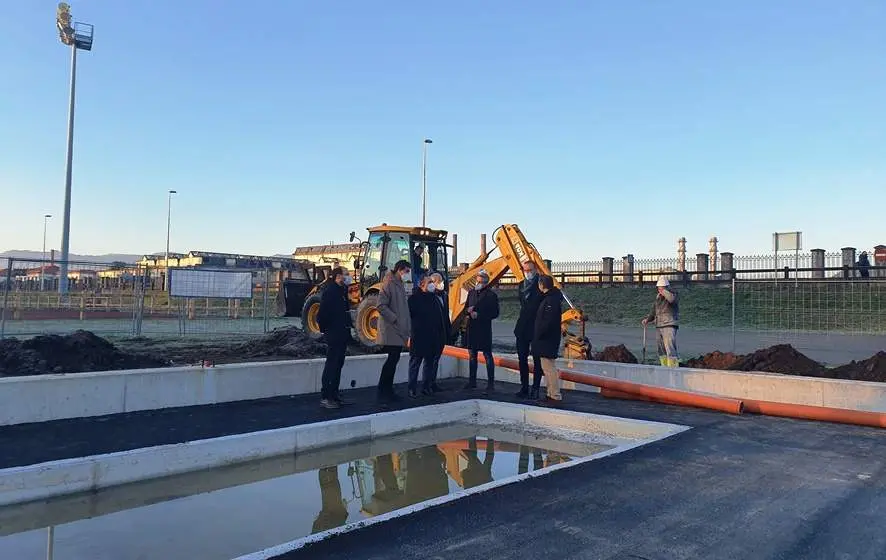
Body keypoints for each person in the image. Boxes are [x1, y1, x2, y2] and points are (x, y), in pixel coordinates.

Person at [376, 259, 412, 403]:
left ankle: (387, 389)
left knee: (394, 359)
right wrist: (395, 318)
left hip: (398, 328)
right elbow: (381, 305)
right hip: (392, 329)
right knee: (392, 360)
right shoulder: (389, 284)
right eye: (407, 271)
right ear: (400, 270)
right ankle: (384, 390)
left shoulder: (400, 284)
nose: (408, 274)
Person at [317, 266, 352, 409]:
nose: (348, 276)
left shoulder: (342, 291)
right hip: (334, 334)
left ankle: (335, 394)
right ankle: (326, 396)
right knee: (331, 365)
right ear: (338, 276)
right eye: (346, 274)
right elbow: (322, 315)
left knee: (338, 365)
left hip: (343, 333)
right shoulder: (330, 292)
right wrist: (327, 331)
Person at [407, 275, 448, 397]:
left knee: (429, 363)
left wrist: (441, 335)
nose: (432, 284)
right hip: (419, 336)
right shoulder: (413, 299)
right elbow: (409, 317)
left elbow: (440, 318)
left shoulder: (434, 299)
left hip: (432, 337)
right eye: (429, 282)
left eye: (432, 282)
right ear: (421, 285)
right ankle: (412, 388)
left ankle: (426, 387)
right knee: (415, 363)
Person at [464, 269, 499, 394]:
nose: (478, 284)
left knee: (487, 355)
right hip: (472, 328)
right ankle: (472, 381)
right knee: (472, 356)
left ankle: (490, 383)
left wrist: (480, 315)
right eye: (477, 281)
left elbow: (495, 313)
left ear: (486, 283)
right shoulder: (471, 293)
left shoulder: (491, 295)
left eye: (481, 282)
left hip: (484, 328)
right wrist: (468, 311)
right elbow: (465, 308)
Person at [513, 260, 543, 398]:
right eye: (525, 270)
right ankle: (524, 386)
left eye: (530, 270)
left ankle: (535, 388)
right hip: (522, 327)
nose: (528, 273)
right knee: (522, 359)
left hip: (536, 327)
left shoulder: (540, 284)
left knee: (537, 360)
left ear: (535, 269)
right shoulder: (521, 285)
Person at [532, 274, 563, 402]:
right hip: (548, 338)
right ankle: (551, 392)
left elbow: (547, 321)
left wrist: (538, 334)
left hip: (546, 339)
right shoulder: (552, 298)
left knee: (549, 368)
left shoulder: (550, 300)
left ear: (542, 285)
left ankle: (554, 394)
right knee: (548, 367)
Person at [641, 277, 680, 367]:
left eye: (661, 288)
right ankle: (664, 367)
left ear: (666, 287)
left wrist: (664, 291)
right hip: (659, 325)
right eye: (658, 288)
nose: (659, 290)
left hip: (669, 325)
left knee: (670, 348)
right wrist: (648, 320)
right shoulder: (658, 298)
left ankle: (673, 368)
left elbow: (671, 299)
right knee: (661, 349)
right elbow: (654, 311)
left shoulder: (673, 294)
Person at [428, 272, 452, 392]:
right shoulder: (428, 297)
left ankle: (433, 383)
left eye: (441, 281)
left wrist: (448, 330)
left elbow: (445, 314)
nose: (442, 284)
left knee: (436, 359)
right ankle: (427, 384)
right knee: (430, 360)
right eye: (439, 282)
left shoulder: (444, 296)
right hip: (432, 332)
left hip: (441, 331)